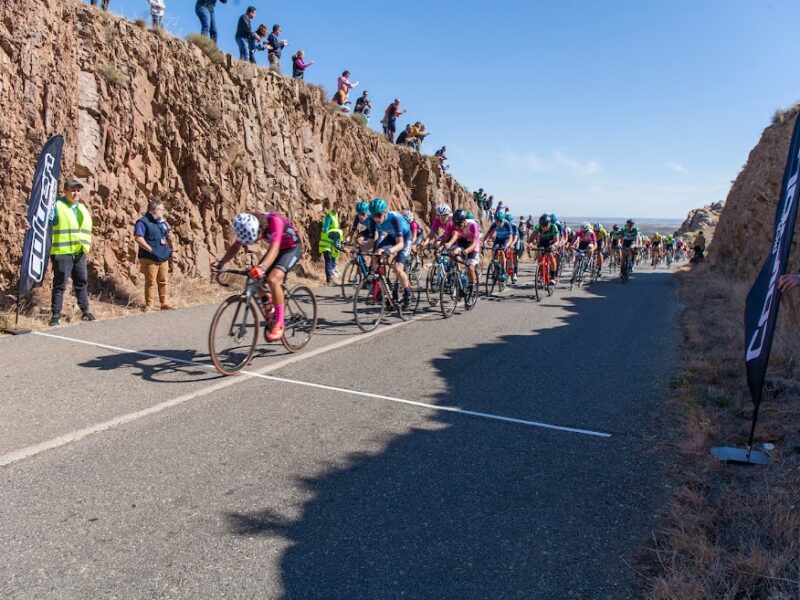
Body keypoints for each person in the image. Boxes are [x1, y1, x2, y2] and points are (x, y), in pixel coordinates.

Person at [213, 212, 302, 342]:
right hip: (276, 249)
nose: (255, 242)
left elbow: (275, 248)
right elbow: (236, 246)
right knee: (255, 279)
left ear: (260, 231)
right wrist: (221, 263)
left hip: (291, 248)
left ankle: (279, 323)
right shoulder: (249, 225)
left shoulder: (274, 221)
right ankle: (270, 308)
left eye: (255, 239)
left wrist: (262, 268)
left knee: (273, 279)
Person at [32, 178, 96, 326]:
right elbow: (44, 223)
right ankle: (55, 315)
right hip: (62, 252)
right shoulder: (57, 206)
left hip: (79, 251)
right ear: (65, 191)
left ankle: (85, 312)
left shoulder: (81, 208)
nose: (76, 193)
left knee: (81, 282)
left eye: (78, 190)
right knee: (60, 284)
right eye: (73, 190)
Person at [368, 198, 414, 309]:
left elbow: (400, 244)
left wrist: (389, 251)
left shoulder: (394, 219)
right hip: (391, 237)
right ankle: (383, 285)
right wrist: (358, 249)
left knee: (398, 268)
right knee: (377, 254)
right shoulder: (373, 220)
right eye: (373, 216)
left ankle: (408, 293)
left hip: (405, 238)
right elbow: (371, 243)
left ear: (384, 213)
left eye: (378, 215)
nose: (376, 219)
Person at [134, 199, 174, 312]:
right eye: (161, 209)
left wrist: (170, 237)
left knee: (163, 280)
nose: (163, 212)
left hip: (163, 256)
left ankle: (164, 303)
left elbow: (166, 235)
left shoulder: (161, 222)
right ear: (156, 210)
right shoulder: (142, 222)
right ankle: (149, 305)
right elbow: (138, 238)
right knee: (150, 282)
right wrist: (150, 250)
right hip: (149, 257)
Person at [319, 201, 343, 286]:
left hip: (331, 242)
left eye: (340, 207)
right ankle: (329, 281)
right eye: (337, 207)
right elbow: (325, 229)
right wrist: (331, 234)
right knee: (328, 261)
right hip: (326, 241)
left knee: (332, 261)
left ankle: (330, 279)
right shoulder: (329, 215)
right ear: (333, 206)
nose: (338, 209)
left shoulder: (335, 215)